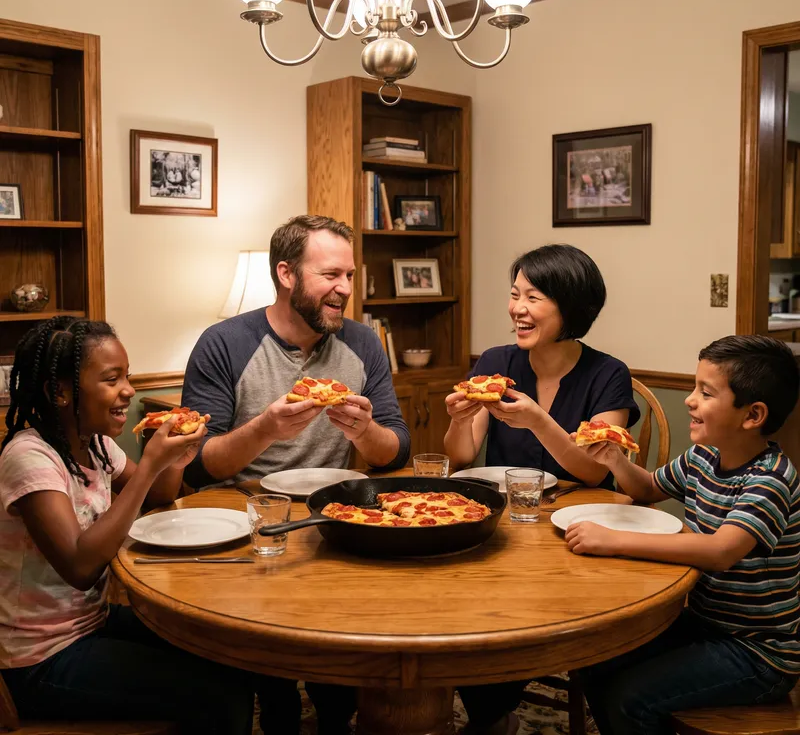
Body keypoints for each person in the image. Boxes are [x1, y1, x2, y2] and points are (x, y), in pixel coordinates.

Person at [0, 316, 292, 734]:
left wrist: (174, 460)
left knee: (230, 653)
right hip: (40, 657)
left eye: (129, 376)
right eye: (111, 379)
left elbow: (158, 496)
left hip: (91, 622)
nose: (129, 391)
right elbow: (80, 568)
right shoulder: (30, 458)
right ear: (58, 391)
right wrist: (150, 464)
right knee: (218, 695)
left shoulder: (94, 444)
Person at [181, 214, 411, 732]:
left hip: (331, 515)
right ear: (286, 274)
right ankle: (278, 703)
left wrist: (362, 433)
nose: (344, 289)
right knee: (270, 664)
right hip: (240, 521)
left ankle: (336, 709)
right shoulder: (223, 344)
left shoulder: (364, 343)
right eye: (330, 275)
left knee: (348, 655)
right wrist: (264, 428)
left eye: (349, 276)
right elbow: (196, 466)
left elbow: (395, 452)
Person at [443, 244, 639, 735]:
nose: (518, 309)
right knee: (462, 601)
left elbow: (595, 473)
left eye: (534, 296)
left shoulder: (607, 373)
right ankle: (491, 710)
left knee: (518, 614)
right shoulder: (495, 361)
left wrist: (538, 421)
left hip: (576, 533)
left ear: (570, 306)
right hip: (504, 526)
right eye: (514, 294)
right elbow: (463, 457)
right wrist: (456, 421)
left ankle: (491, 710)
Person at [568, 335, 800, 734]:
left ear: (753, 414)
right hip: (703, 624)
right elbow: (646, 489)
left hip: (757, 652)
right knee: (594, 657)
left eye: (705, 393)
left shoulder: (771, 479)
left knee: (630, 697)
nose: (690, 400)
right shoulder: (704, 456)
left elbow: (720, 551)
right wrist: (614, 459)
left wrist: (612, 539)